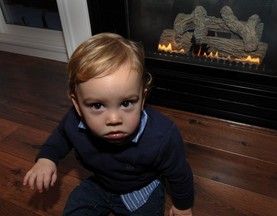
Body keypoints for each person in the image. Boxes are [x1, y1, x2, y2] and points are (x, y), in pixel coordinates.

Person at [23, 32, 194, 216]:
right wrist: (47, 158)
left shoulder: (161, 136)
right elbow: (61, 136)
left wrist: (182, 207)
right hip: (100, 184)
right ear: (78, 105)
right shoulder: (74, 121)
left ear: (142, 99)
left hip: (142, 190)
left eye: (126, 103)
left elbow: (179, 174)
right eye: (97, 105)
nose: (114, 119)